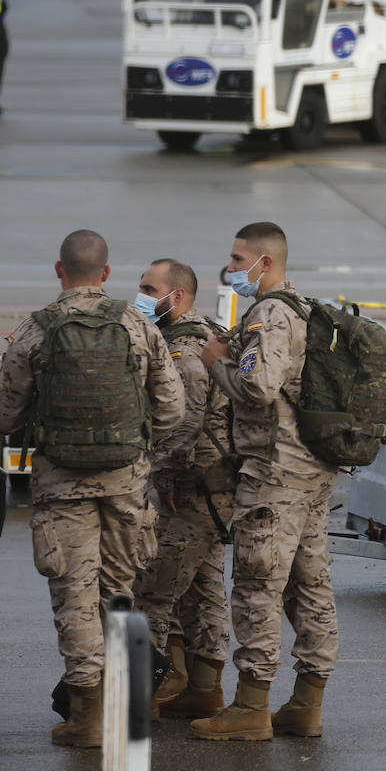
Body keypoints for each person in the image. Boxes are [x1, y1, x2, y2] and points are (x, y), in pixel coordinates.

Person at [0, 230, 184, 747]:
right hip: (126, 482)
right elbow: (172, 406)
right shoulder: (137, 324)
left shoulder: (36, 330)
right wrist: (139, 450)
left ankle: (86, 718)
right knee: (119, 592)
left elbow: (3, 412)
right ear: (106, 272)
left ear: (59, 271)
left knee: (75, 597)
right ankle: (124, 704)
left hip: (61, 485)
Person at [190, 222, 340, 742]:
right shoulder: (305, 308)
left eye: (237, 259)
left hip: (275, 474)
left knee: (257, 585)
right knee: (309, 585)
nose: (231, 269)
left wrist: (216, 364)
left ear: (265, 263)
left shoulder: (271, 314)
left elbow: (257, 386)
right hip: (310, 471)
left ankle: (251, 707)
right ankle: (306, 703)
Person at [132, 259, 235, 720]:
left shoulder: (185, 349)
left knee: (155, 589)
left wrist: (163, 473)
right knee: (204, 586)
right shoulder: (201, 334)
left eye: (148, 288)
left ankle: (145, 692)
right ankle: (205, 688)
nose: (141, 296)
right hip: (213, 487)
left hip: (193, 484)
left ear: (177, 296)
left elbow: (187, 418)